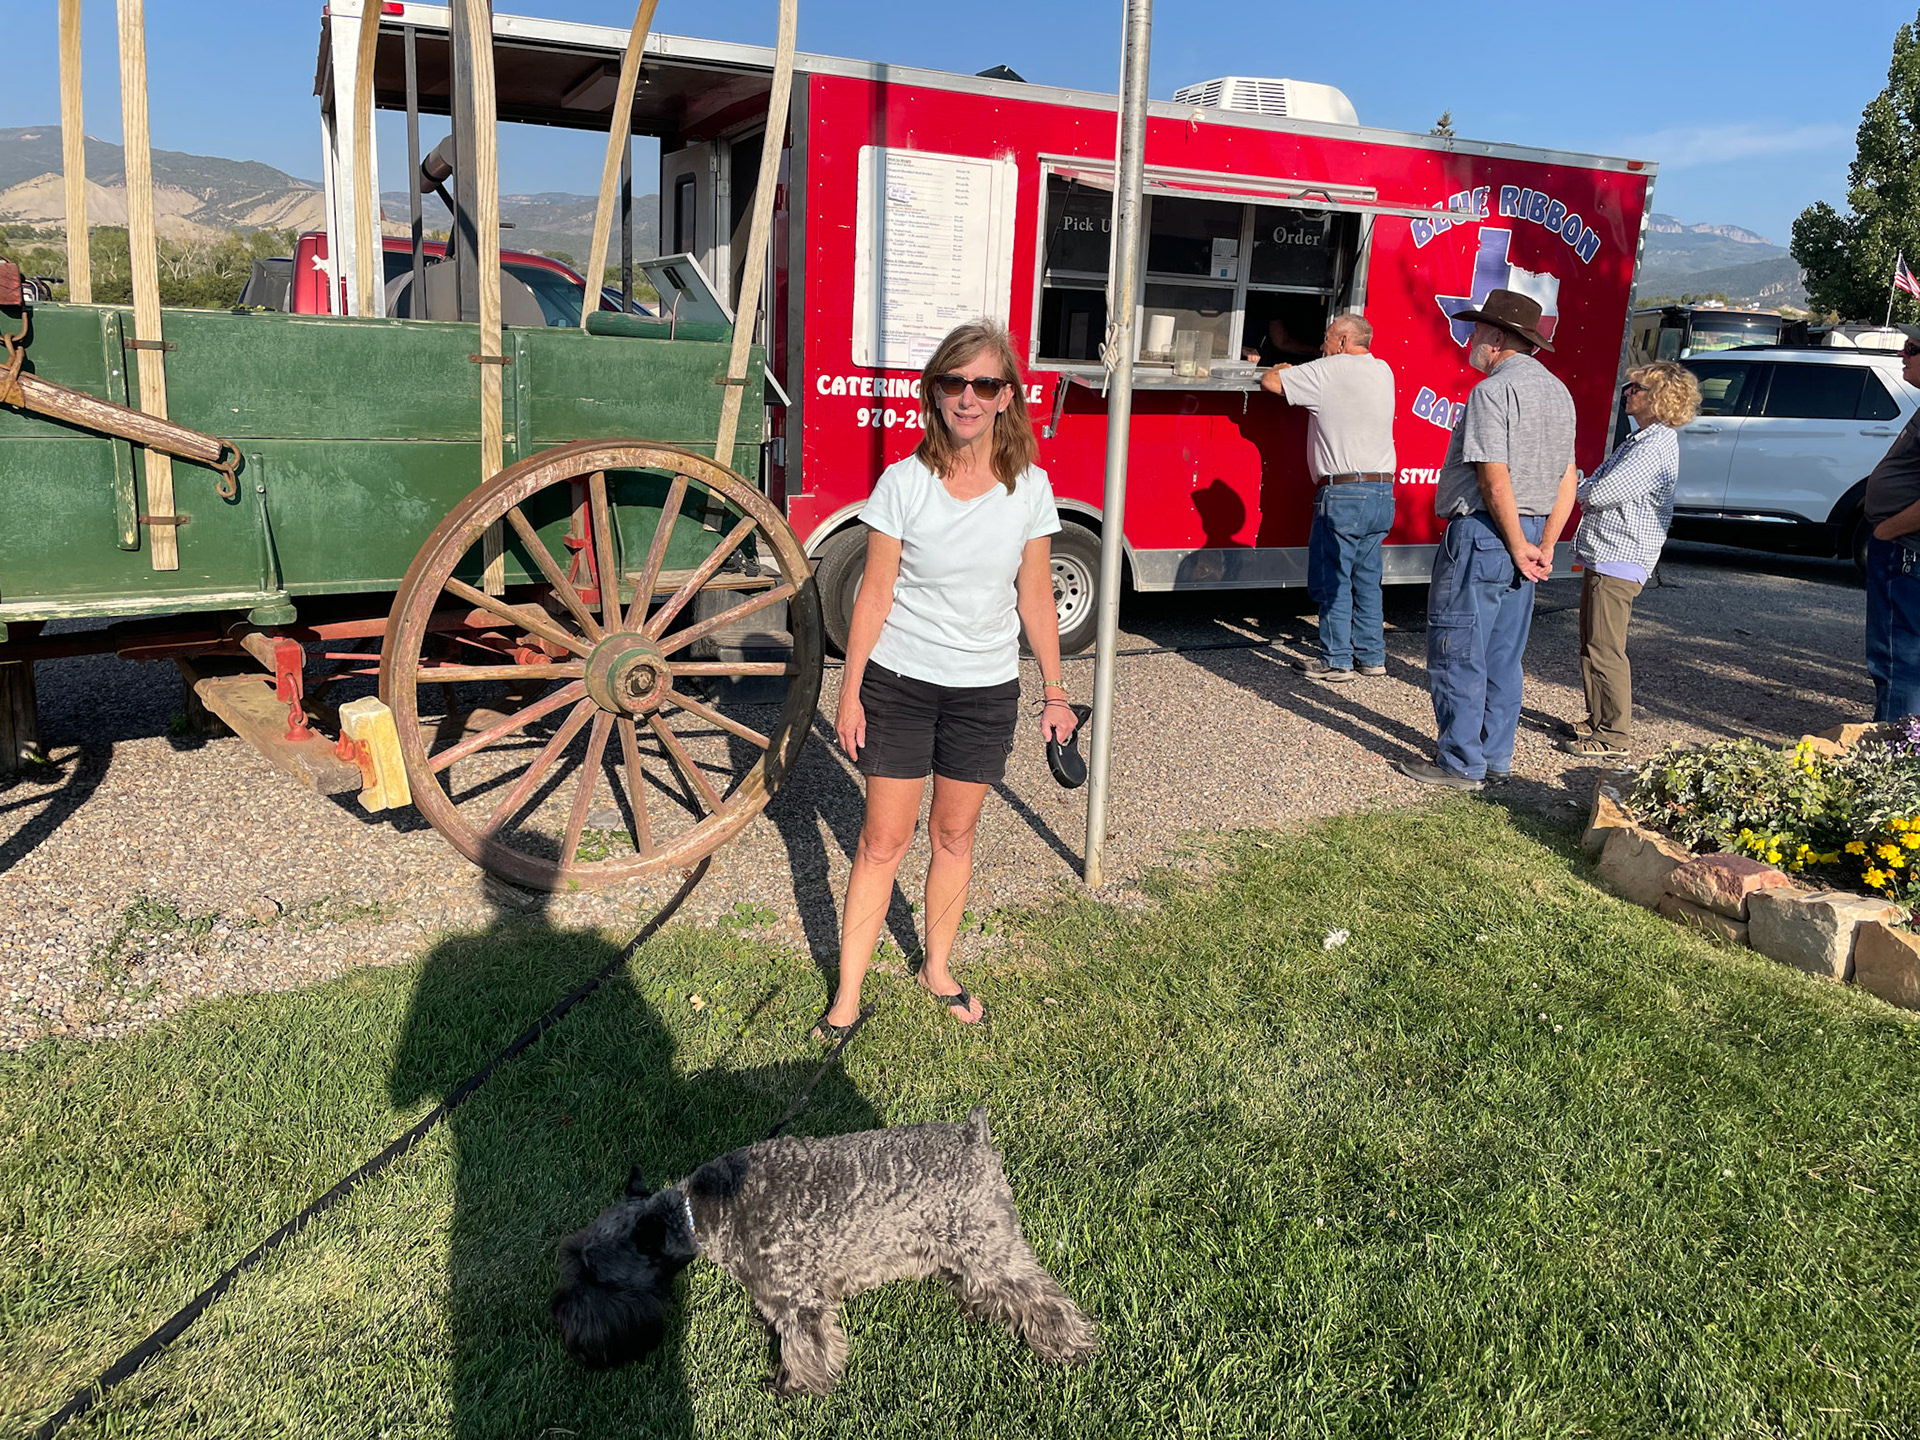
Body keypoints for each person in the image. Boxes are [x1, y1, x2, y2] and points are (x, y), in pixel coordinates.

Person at [816, 320, 1076, 1040]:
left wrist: (1056, 695)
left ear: (1005, 398)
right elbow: (873, 593)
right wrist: (850, 689)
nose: (968, 397)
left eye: (984, 384)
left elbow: (1034, 597)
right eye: (954, 382)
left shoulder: (1030, 489)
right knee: (880, 843)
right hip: (901, 684)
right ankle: (846, 998)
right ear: (934, 392)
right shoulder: (904, 482)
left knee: (954, 837)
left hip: (985, 692)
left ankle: (937, 967)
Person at [1395, 288, 1577, 791]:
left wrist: (1516, 541)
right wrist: (1544, 544)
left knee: (1458, 647)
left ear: (1497, 337)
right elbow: (1569, 478)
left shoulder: (1492, 392)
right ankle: (1496, 758)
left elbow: (1492, 477)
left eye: (1476, 331)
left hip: (1485, 532)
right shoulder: (1558, 392)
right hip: (1535, 531)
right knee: (1503, 654)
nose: (1470, 340)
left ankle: (1459, 764)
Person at [1560, 361, 1699, 759]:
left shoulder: (1654, 446)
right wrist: (1586, 487)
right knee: (1591, 644)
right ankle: (1598, 718)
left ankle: (1614, 735)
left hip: (1619, 560)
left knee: (1605, 649)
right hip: (1606, 556)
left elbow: (1599, 493)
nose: (1627, 393)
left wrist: (1579, 490)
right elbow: (1597, 484)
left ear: (1659, 398)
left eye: (1635, 388)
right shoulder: (1641, 439)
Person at [1259, 314, 1397, 681]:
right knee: (1367, 579)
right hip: (1382, 491)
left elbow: (1270, 382)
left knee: (1332, 577)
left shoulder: (1328, 370)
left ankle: (1336, 660)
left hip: (1344, 493)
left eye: (1327, 338)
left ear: (1342, 341)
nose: (1321, 345)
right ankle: (1372, 657)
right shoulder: (1383, 370)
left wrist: (1285, 365)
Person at [1861, 335, 1920, 721]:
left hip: (1906, 551)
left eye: (1913, 349)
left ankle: (1894, 759)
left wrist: (1887, 531)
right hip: (1902, 548)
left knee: (1900, 659)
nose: (1902, 353)